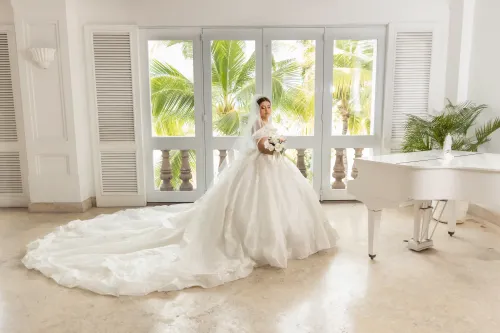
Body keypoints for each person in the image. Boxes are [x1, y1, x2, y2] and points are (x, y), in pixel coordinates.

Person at [22, 95, 338, 296]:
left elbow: (275, 143)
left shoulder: (272, 122)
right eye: (263, 107)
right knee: (251, 209)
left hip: (277, 171)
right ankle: (258, 243)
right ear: (257, 109)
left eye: (269, 107)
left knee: (285, 205)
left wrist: (278, 146)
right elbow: (259, 146)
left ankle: (285, 237)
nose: (267, 111)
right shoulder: (256, 124)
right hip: (258, 170)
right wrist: (271, 147)